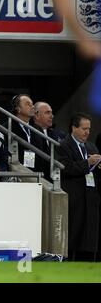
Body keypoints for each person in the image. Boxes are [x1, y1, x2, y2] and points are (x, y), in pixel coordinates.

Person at [56, 112, 101, 261]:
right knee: (73, 238)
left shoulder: (91, 146)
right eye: (84, 129)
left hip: (91, 199)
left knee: (89, 239)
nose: (87, 132)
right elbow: (66, 168)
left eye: (89, 129)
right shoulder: (63, 146)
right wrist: (87, 163)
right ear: (74, 128)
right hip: (74, 199)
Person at [31, 101, 66, 179]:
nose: (52, 116)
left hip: (57, 177)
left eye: (51, 113)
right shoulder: (30, 133)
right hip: (39, 177)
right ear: (36, 115)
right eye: (47, 113)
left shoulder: (59, 134)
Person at [7, 94, 41, 171]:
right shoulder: (7, 128)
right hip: (17, 173)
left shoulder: (37, 129)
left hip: (37, 174)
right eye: (28, 104)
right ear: (18, 108)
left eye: (32, 104)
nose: (32, 107)